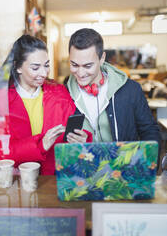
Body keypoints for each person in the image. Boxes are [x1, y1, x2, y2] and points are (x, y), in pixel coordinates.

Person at [0, 35, 91, 175]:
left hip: (54, 180)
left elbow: (72, 136)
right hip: (16, 183)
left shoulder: (59, 93)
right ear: (18, 67)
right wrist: (40, 145)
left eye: (46, 65)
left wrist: (83, 139)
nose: (43, 73)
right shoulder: (0, 99)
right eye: (35, 68)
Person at [65, 28, 161, 159]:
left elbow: (150, 132)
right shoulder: (63, 93)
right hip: (85, 172)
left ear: (102, 58)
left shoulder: (131, 90)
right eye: (74, 65)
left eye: (88, 66)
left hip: (125, 171)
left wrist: (146, 167)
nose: (80, 73)